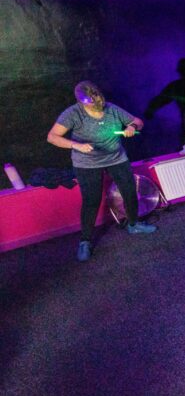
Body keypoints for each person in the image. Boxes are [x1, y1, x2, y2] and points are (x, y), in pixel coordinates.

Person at [47, 81, 157, 262]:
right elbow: (52, 137)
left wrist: (131, 127)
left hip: (116, 158)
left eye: (96, 98)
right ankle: (85, 241)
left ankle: (134, 224)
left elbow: (138, 121)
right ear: (81, 101)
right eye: (90, 101)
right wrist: (77, 145)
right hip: (86, 163)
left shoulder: (111, 109)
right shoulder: (73, 113)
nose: (95, 103)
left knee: (129, 191)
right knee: (91, 200)